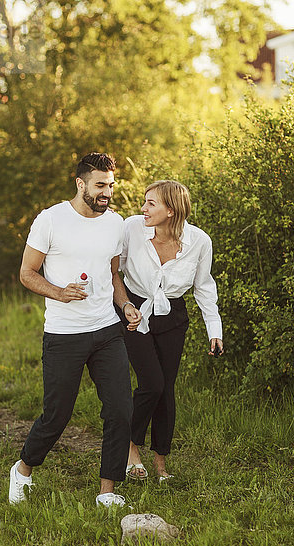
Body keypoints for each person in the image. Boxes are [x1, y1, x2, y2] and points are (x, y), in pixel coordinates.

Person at [9, 152, 142, 507]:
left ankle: (107, 491)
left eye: (111, 186)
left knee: (120, 410)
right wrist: (58, 292)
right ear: (80, 183)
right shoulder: (50, 220)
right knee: (57, 415)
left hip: (106, 330)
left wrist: (126, 304)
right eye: (100, 185)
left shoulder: (115, 224)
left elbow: (113, 274)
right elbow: (27, 272)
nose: (107, 193)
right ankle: (23, 468)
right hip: (64, 334)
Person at [115, 180, 223, 482]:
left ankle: (161, 462)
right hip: (134, 310)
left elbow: (204, 287)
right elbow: (115, 272)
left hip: (172, 315)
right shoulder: (132, 228)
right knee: (152, 383)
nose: (142, 208)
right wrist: (124, 306)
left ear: (171, 210)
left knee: (167, 388)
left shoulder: (200, 242)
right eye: (144, 202)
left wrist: (214, 330)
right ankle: (130, 446)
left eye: (151, 203)